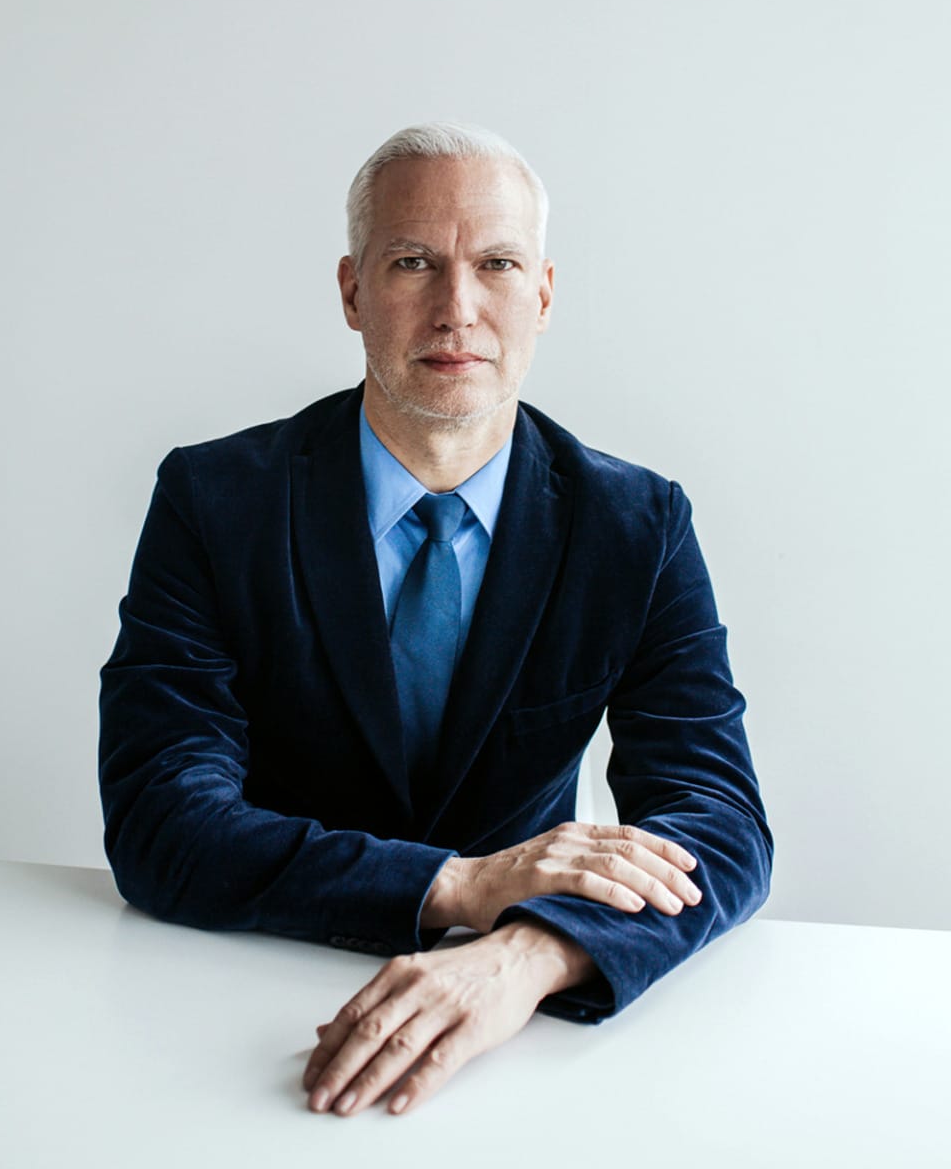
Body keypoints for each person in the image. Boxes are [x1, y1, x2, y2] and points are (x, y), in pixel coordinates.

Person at [98, 122, 772, 1119]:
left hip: (530, 1056)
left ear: (542, 292)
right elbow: (162, 820)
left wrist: (531, 951)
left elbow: (720, 825)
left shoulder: (638, 526)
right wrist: (461, 886)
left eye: (496, 264)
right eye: (414, 261)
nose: (459, 308)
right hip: (228, 1017)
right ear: (353, 290)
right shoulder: (217, 500)